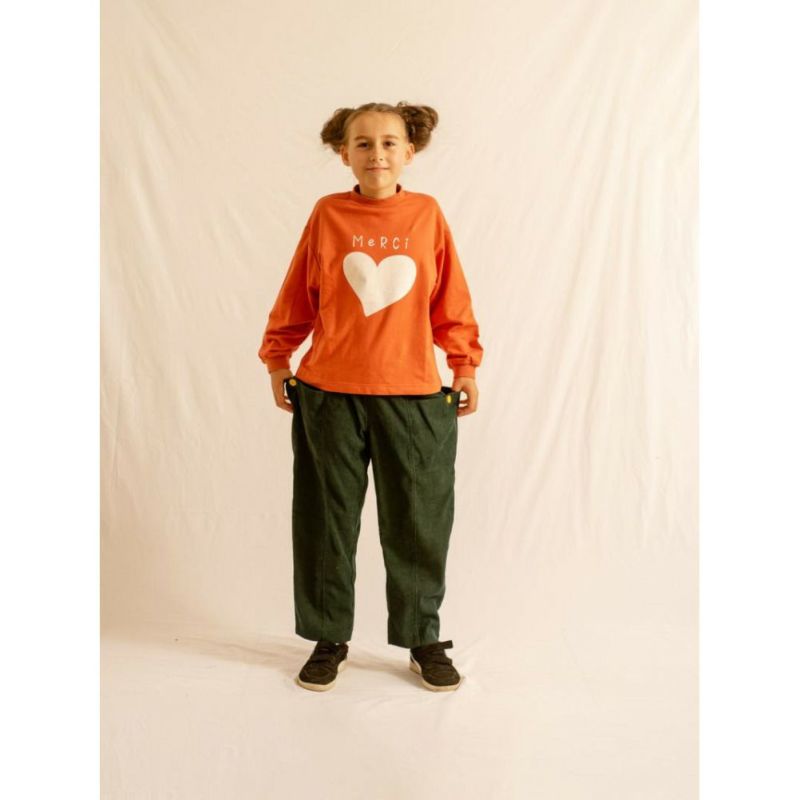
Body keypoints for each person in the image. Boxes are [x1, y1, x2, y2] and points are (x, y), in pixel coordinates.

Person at [257, 101, 484, 692]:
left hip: (413, 397)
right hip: (329, 394)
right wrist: (278, 356)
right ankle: (328, 637)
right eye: (363, 143)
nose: (376, 154)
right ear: (344, 153)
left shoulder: (426, 215)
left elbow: (450, 297)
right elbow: (299, 291)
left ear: (410, 151)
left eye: (388, 143)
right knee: (325, 521)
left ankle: (421, 637)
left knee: (419, 523)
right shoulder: (328, 214)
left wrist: (464, 364)